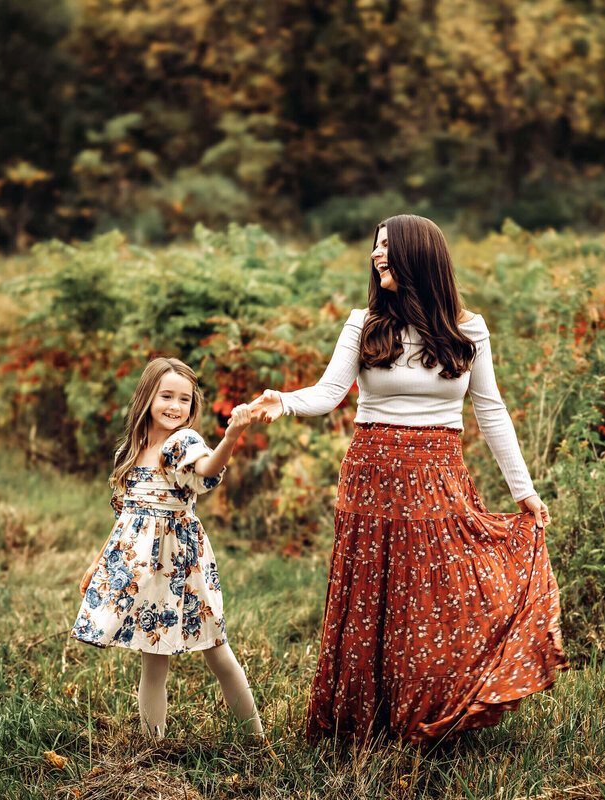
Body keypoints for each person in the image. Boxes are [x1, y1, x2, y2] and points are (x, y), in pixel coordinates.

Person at [248, 214, 568, 746]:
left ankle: (426, 716)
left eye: (387, 248)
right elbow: (330, 393)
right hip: (372, 473)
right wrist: (282, 402)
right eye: (374, 248)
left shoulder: (469, 328)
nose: (376, 257)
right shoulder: (364, 322)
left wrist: (524, 491)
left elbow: (490, 411)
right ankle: (366, 725)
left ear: (418, 255)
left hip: (438, 475)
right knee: (372, 594)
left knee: (435, 596)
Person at [71, 357, 265, 741]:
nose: (175, 407)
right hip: (143, 570)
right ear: (147, 397)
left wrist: (230, 437)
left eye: (185, 400)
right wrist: (98, 562)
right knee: (153, 661)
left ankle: (255, 740)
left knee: (218, 651)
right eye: (167, 396)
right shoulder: (131, 449)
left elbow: (207, 469)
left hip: (181, 567)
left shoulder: (182, 443)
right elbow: (125, 517)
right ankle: (152, 746)